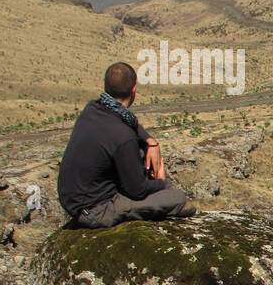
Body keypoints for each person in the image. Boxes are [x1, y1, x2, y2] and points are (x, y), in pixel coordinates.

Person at [57, 62, 196, 228]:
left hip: (72, 199)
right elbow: (137, 191)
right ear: (134, 90)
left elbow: (129, 121)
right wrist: (160, 181)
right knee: (177, 198)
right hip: (96, 210)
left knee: (142, 153)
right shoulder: (124, 136)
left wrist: (151, 142)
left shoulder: (92, 109)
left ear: (105, 86)